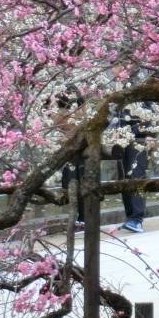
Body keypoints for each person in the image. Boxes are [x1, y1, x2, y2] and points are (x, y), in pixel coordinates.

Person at [115, 106, 156, 233]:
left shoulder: (144, 97)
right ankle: (130, 216)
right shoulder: (120, 98)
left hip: (139, 139)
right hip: (122, 141)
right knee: (124, 179)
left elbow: (152, 114)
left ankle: (137, 218)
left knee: (137, 178)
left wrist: (150, 135)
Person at [53, 88, 86, 229]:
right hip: (80, 153)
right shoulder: (81, 112)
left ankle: (78, 219)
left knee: (72, 185)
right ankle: (81, 218)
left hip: (69, 154)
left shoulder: (59, 115)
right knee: (79, 186)